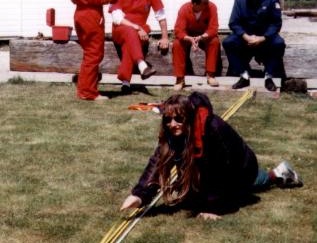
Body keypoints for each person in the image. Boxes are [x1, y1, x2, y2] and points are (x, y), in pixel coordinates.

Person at [121, 92, 303, 220]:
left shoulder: (212, 129)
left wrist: (212, 206)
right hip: (210, 168)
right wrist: (140, 195)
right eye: (167, 120)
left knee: (244, 187)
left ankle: (276, 175)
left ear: (189, 118)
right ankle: (278, 173)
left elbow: (221, 170)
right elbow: (158, 162)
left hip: (240, 167)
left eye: (178, 119)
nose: (172, 124)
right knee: (193, 197)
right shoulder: (173, 133)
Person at [68, 0, 118, 101]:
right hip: (90, 16)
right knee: (94, 54)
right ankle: (88, 92)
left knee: (89, 54)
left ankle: (85, 89)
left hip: (81, 14)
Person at [109, 0, 169, 94]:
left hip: (141, 30)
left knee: (129, 44)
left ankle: (125, 82)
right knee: (131, 32)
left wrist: (165, 37)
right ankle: (142, 64)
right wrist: (136, 27)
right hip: (121, 28)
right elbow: (117, 18)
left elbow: (160, 15)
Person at [222, 0, 286, 92]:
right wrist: (246, 36)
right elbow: (233, 22)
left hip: (265, 37)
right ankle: (244, 75)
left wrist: (263, 38)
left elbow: (276, 23)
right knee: (228, 42)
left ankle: (269, 76)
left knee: (279, 43)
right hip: (245, 36)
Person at [173, 0, 220, 91]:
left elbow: (214, 28)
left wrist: (202, 37)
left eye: (207, 2)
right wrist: (189, 38)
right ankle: (180, 79)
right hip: (188, 35)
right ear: (194, 4)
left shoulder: (212, 7)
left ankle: (210, 75)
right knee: (177, 44)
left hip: (204, 35)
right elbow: (178, 30)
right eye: (204, 3)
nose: (207, 5)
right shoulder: (184, 9)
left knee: (214, 41)